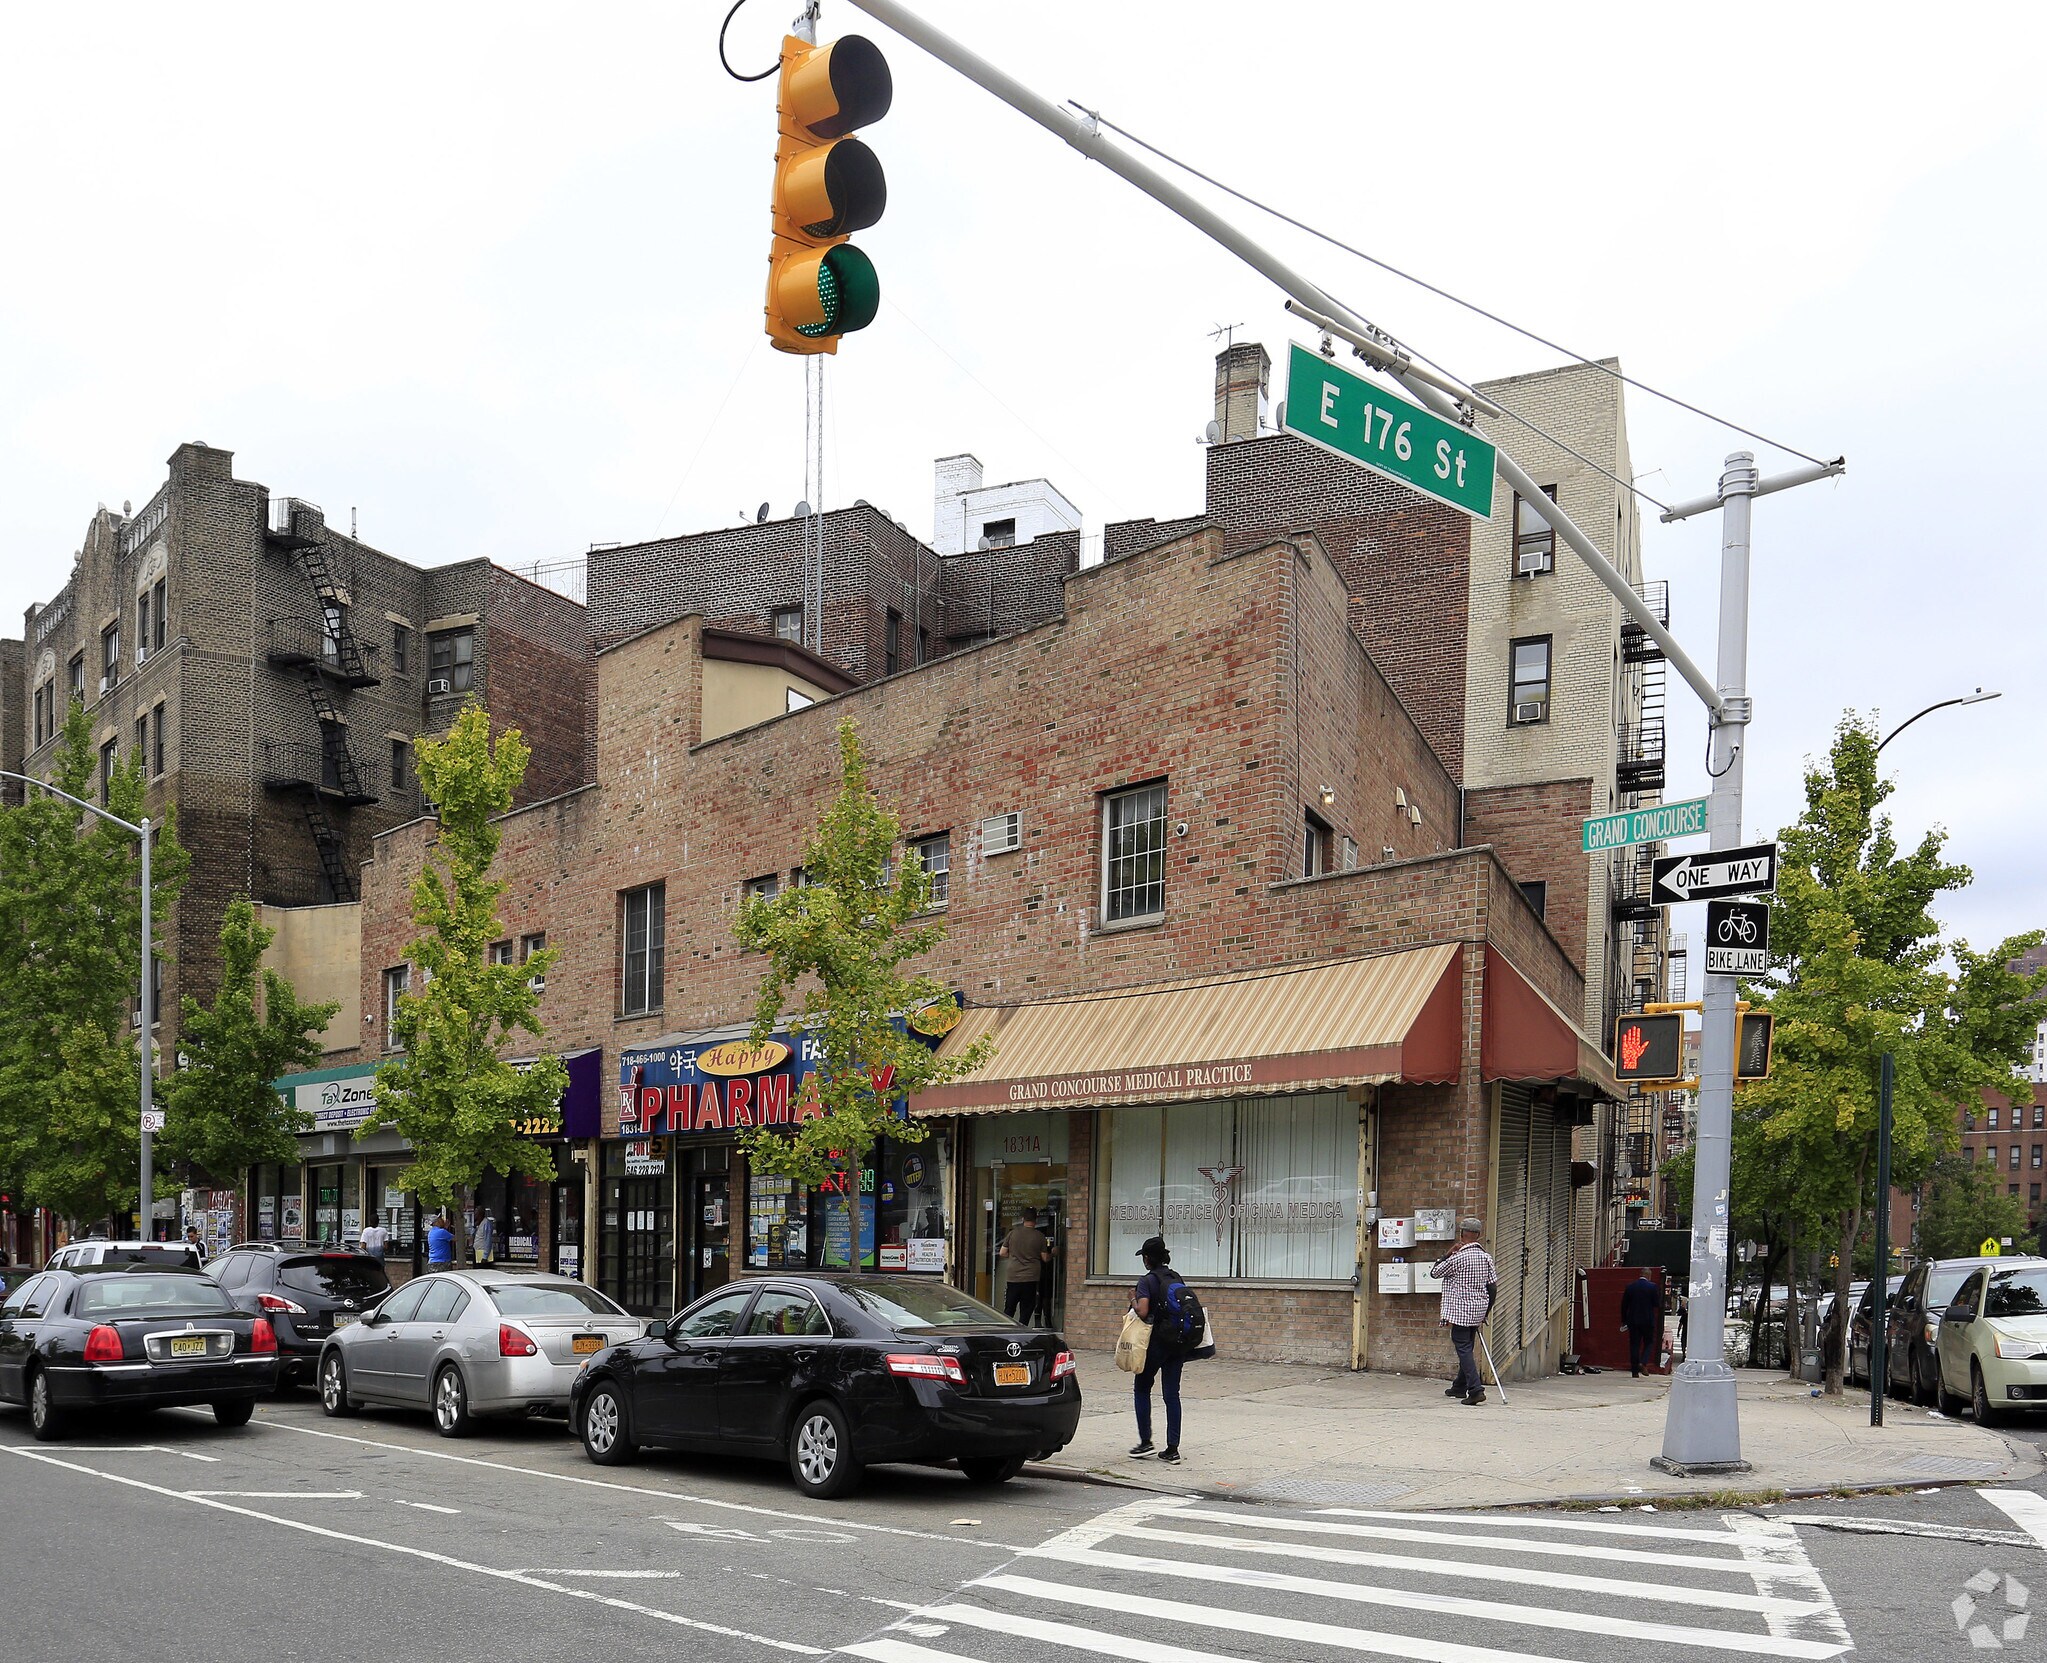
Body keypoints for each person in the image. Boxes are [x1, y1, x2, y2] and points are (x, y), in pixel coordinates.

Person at [1425, 1216, 1498, 1405]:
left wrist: (1447, 1254)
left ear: (1461, 1234)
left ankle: (1475, 1389)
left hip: (1460, 1310)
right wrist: (1486, 1311)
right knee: (1467, 1346)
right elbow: (1492, 1287)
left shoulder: (1457, 1257)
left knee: (1463, 1347)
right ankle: (1459, 1386)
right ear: (1479, 1235)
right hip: (1479, 1308)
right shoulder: (1486, 1258)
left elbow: (1434, 1272)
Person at [1129, 1235, 1187, 1465]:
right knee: (1172, 1395)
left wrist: (1133, 1299)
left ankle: (1146, 1442)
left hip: (1155, 1343)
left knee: (1142, 1388)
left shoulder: (1147, 1281)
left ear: (1147, 1258)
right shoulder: (1176, 1277)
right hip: (1177, 1343)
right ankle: (1172, 1449)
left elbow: (1142, 1311)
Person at [996, 1207, 1049, 1324]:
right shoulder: (1040, 1236)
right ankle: (1022, 1330)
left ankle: (1006, 1330)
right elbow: (1045, 1258)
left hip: (1013, 1277)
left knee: (1009, 1307)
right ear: (1036, 1220)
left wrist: (1015, 1255)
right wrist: (1054, 1253)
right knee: (1026, 1309)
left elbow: (1002, 1252)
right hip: (1030, 1277)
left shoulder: (1012, 1233)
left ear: (1022, 1219)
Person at [1621, 1270, 1664, 1377]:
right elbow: (1656, 1304)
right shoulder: (1652, 1287)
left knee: (1634, 1345)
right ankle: (1643, 1362)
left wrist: (1624, 1320)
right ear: (1649, 1276)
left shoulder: (1630, 1287)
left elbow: (1624, 1305)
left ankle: (1634, 1372)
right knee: (1649, 1342)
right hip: (1647, 1320)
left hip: (1633, 1321)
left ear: (1640, 1275)